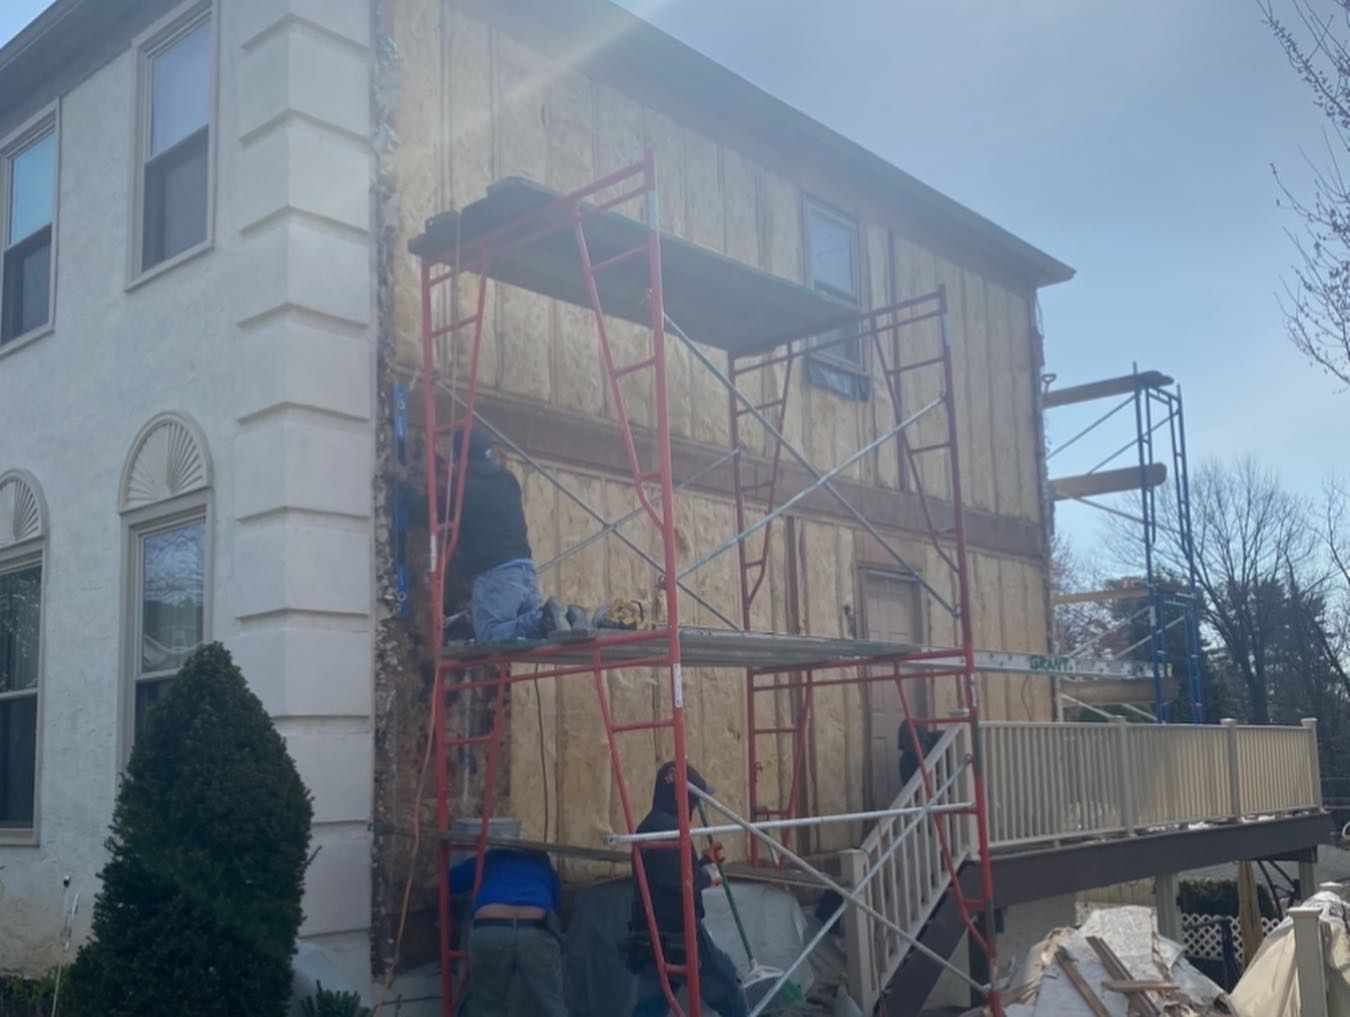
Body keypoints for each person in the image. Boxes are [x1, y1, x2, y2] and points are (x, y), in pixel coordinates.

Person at [628, 762, 748, 1017]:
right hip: (679, 933)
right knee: (727, 989)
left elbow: (669, 874)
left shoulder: (651, 824)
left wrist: (704, 862)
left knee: (650, 1004)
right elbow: (679, 882)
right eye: (694, 798)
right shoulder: (668, 828)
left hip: (652, 934)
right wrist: (706, 876)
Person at [448, 428, 568, 642]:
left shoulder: (465, 488)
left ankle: (544, 619)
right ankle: (560, 617)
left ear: (461, 460)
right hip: (526, 574)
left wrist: (405, 495)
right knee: (528, 635)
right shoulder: (508, 479)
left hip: (497, 577)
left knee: (489, 636)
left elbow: (440, 512)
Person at [448, 846, 567, 1017]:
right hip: (534, 930)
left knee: (488, 1006)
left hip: (490, 929)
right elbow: (555, 908)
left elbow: (448, 882)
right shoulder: (544, 867)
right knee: (551, 1005)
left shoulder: (491, 858)